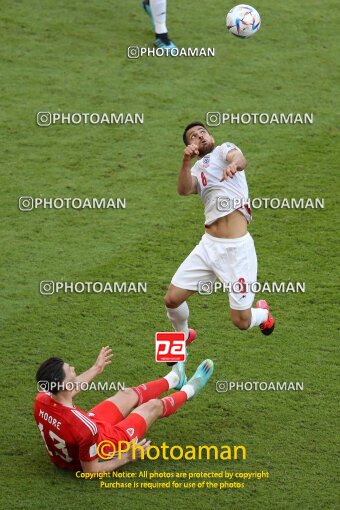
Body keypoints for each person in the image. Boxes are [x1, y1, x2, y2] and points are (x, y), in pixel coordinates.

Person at [164, 121, 275, 341]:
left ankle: (263, 314)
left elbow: (240, 159)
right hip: (209, 246)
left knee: (241, 322)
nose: (201, 136)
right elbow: (184, 189)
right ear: (191, 147)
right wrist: (185, 160)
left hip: (237, 251)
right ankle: (184, 335)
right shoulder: (196, 168)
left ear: (211, 136)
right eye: (194, 136)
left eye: (203, 132)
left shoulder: (224, 150)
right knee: (171, 300)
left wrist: (233, 165)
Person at [34, 346, 213, 473]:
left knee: (126, 393)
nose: (73, 368)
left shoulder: (42, 399)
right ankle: (189, 390)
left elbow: (70, 392)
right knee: (152, 406)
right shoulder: (85, 429)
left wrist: (96, 368)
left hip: (85, 429)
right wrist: (127, 456)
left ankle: (174, 377)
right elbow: (91, 470)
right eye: (69, 369)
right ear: (63, 384)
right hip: (105, 444)